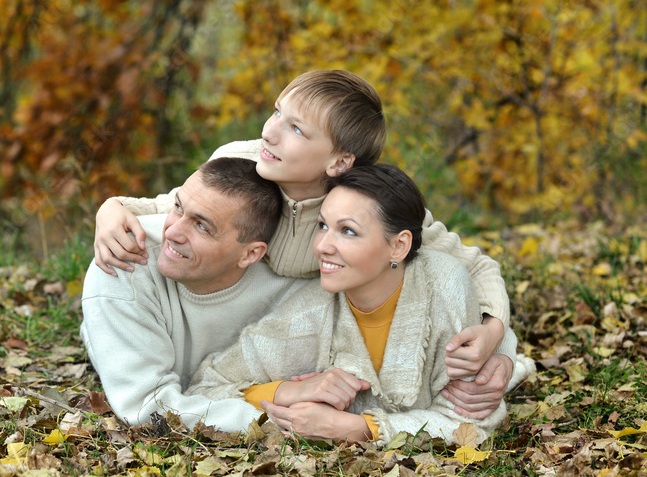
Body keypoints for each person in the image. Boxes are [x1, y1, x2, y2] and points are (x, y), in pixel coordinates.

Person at [93, 70, 518, 418]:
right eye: (277, 112)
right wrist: (111, 208)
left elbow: (473, 268)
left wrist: (493, 335)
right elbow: (173, 203)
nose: (270, 132)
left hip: (307, 325)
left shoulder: (362, 205)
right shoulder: (246, 160)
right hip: (244, 320)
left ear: (339, 162)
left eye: (295, 128)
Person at [186, 165, 534, 443]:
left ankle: (515, 362)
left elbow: (470, 425)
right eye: (322, 225)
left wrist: (356, 428)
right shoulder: (309, 313)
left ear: (398, 246)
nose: (323, 246)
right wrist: (290, 391)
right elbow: (207, 386)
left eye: (348, 231)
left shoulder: (444, 286)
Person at [80, 157, 305, 428]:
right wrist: (275, 422)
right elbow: (147, 406)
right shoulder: (122, 263)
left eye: (201, 226)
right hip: (118, 336)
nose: (172, 232)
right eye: (178, 207)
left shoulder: (293, 285)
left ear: (251, 254)